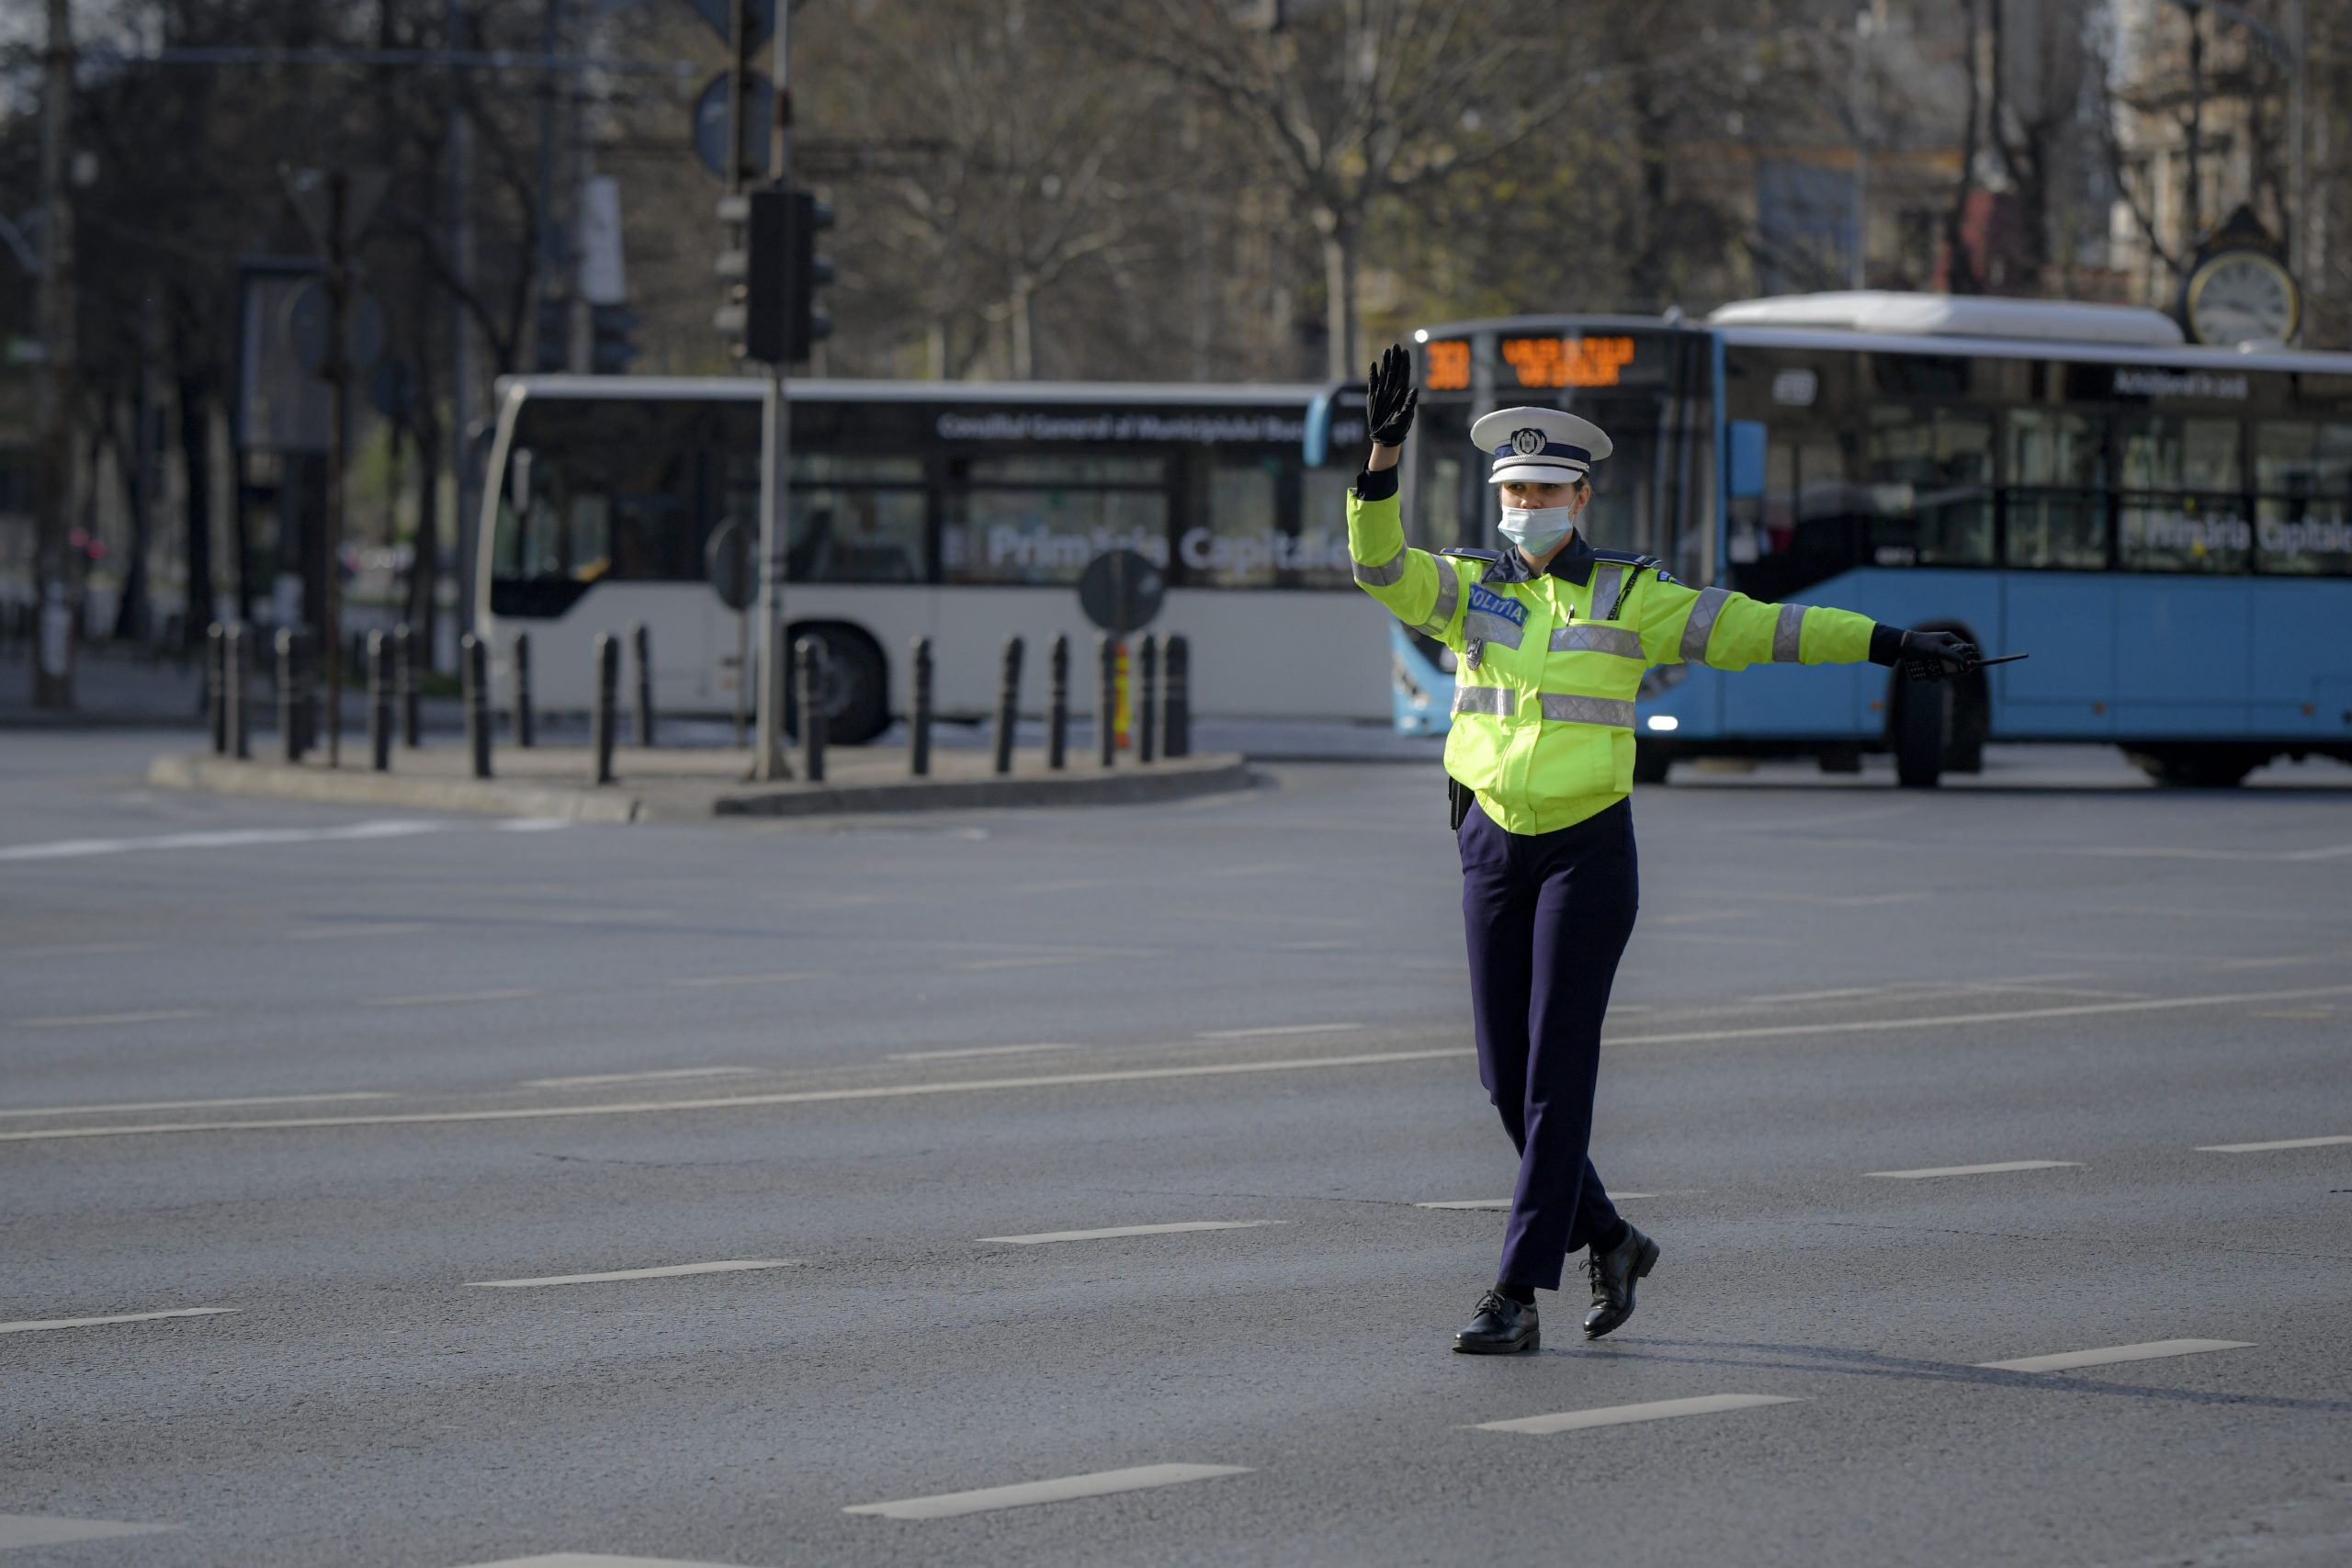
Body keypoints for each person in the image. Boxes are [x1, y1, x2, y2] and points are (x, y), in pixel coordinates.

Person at [1346, 344, 1974, 1354]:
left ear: (1580, 496)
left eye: (1543, 487)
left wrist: (1887, 642)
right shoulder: (1465, 589)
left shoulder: (1633, 596)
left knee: (1556, 1075)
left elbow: (1761, 630)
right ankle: (1611, 1237)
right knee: (1503, 1080)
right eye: (1511, 487)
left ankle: (1514, 1294)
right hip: (1490, 847)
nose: (1524, 503)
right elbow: (1377, 564)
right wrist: (1381, 455)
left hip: (1587, 853)